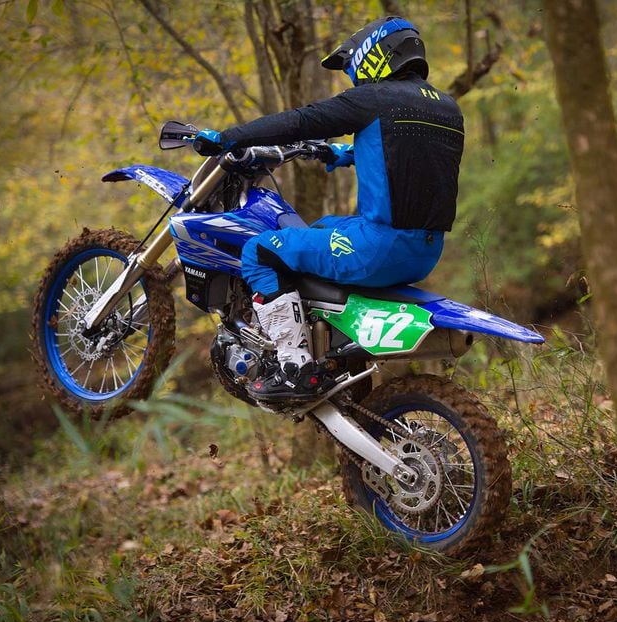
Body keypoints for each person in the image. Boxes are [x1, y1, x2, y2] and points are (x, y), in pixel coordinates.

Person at [193, 16, 464, 402]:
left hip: (378, 249)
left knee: (261, 250)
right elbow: (410, 156)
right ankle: (333, 350)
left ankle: (294, 365)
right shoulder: (446, 108)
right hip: (425, 251)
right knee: (320, 230)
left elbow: (300, 121)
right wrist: (348, 154)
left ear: (375, 54)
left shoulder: (374, 99)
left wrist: (227, 138)